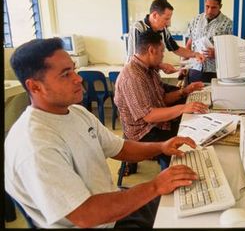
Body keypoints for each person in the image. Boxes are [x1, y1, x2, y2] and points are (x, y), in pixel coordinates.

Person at [4, 37, 198, 228]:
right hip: (98, 221)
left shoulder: (76, 111)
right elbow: (85, 215)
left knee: (188, 207)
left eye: (73, 69)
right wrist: (155, 186)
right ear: (34, 86)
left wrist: (162, 146)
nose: (78, 78)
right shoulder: (35, 144)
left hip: (111, 204)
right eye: (65, 74)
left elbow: (120, 148)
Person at [115, 31, 208, 170]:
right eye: (162, 52)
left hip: (155, 124)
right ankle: (170, 172)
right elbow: (149, 115)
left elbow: (162, 99)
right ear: (151, 50)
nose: (163, 56)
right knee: (184, 139)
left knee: (192, 128)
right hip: (143, 132)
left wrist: (185, 91)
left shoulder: (150, 69)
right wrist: (183, 108)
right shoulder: (132, 76)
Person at [126, 0, 205, 76]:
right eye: (166, 19)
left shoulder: (163, 30)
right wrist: (161, 66)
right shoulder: (138, 28)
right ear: (155, 15)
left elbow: (176, 49)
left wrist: (195, 54)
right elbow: (137, 59)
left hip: (152, 75)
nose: (169, 24)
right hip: (135, 75)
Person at [185, 0, 233, 84]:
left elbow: (232, 51)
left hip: (215, 72)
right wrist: (184, 66)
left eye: (214, 7)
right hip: (194, 69)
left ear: (220, 6)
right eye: (207, 6)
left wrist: (217, 53)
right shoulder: (195, 20)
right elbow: (189, 44)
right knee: (192, 97)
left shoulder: (229, 24)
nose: (210, 10)